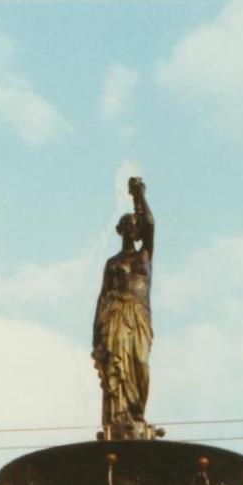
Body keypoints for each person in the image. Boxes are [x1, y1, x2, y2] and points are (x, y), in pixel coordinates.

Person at [92, 177, 154, 438]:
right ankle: (119, 417)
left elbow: (151, 224)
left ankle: (137, 412)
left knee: (140, 362)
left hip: (138, 314)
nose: (132, 228)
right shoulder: (112, 262)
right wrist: (96, 336)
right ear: (121, 230)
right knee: (117, 367)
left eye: (135, 225)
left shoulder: (145, 255)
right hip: (115, 315)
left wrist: (139, 196)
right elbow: (102, 296)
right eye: (127, 225)